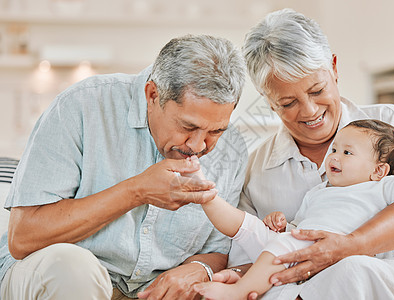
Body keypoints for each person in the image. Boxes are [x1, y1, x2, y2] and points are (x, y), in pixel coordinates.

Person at [221, 8, 394, 299]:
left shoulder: (386, 123)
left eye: (317, 90)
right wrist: (242, 275)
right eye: (289, 102)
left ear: (334, 68)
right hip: (304, 288)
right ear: (268, 102)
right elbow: (252, 251)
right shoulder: (257, 170)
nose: (310, 111)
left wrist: (347, 247)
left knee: (351, 270)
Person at [0, 34, 248, 300]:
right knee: (73, 268)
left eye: (216, 130)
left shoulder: (233, 149)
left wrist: (200, 269)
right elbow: (23, 238)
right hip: (57, 278)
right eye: (188, 127)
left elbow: (220, 250)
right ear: (153, 95)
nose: (199, 145)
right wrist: (137, 191)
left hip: (149, 293)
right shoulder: (82, 106)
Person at [189, 120, 394, 299]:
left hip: (328, 252)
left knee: (282, 246)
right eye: (335, 149)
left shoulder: (383, 188)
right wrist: (282, 225)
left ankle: (238, 293)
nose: (334, 157)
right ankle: (206, 195)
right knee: (247, 226)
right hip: (297, 245)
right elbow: (300, 225)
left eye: (347, 153)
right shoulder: (319, 192)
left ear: (378, 171)